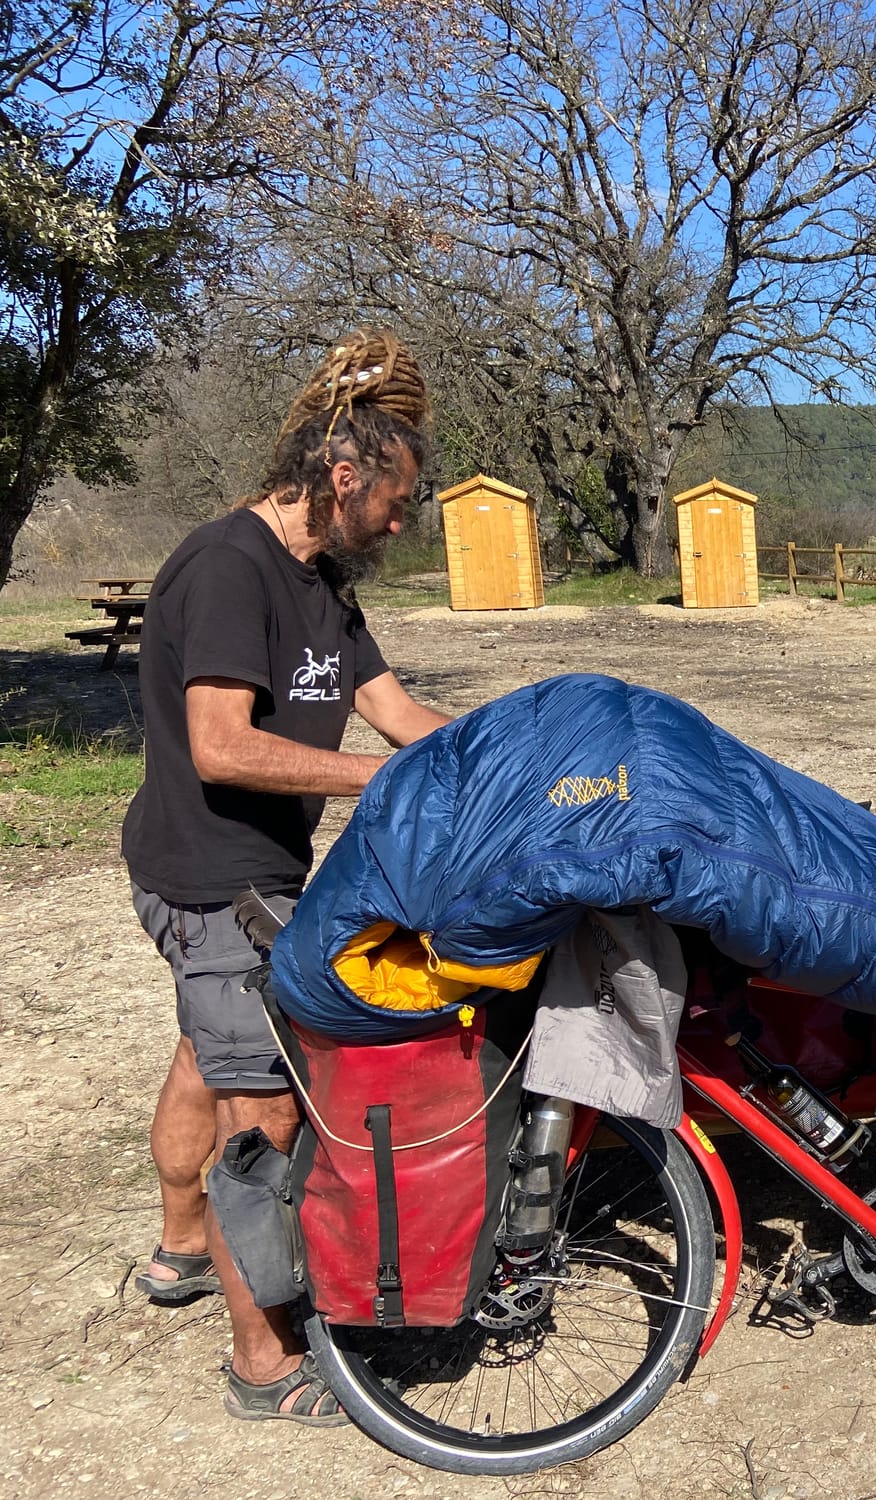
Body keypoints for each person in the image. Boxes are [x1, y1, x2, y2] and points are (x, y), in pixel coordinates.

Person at [122, 331, 453, 1424]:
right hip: (210, 875)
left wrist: (504, 754)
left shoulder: (324, 588)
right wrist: (378, 781)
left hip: (253, 868)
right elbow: (220, 745)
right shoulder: (229, 566)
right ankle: (261, 1362)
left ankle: (180, 1251)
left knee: (205, 1053)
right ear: (344, 476)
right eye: (395, 503)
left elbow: (398, 714)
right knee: (260, 1103)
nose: (401, 525)